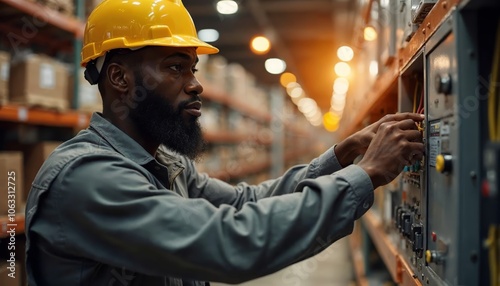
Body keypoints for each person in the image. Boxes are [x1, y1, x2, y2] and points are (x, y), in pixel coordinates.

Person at [24, 0, 424, 285]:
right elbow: (230, 241)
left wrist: (342, 157)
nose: (196, 84)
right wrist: (365, 174)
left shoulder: (167, 164)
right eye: (175, 67)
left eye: (193, 68)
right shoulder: (87, 179)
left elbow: (245, 204)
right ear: (119, 79)